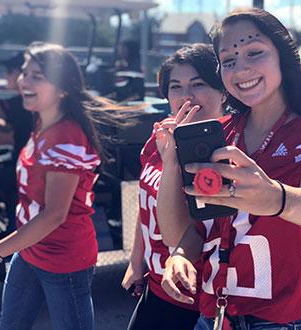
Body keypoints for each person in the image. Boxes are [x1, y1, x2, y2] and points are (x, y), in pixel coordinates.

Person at [155, 8, 301, 330]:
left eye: (254, 52)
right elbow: (198, 229)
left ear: (283, 57)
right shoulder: (219, 134)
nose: (240, 68)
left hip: (279, 321)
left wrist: (274, 197)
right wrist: (180, 255)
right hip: (213, 316)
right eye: (228, 60)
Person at [0, 42, 134, 330]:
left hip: (62, 260)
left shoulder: (65, 136)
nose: (24, 81)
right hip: (29, 249)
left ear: (62, 88)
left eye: (37, 76)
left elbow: (55, 214)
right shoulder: (43, 122)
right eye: (25, 73)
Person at [121, 43, 226, 330]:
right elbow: (147, 205)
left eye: (198, 84)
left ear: (223, 91)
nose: (186, 96)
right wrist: (136, 260)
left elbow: (187, 234)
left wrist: (173, 162)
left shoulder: (222, 153)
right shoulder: (159, 139)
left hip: (190, 294)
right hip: (154, 286)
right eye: (176, 87)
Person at [0, 51, 33, 251]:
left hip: (26, 168)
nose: (6, 75)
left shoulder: (23, 102)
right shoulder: (23, 103)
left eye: (9, 71)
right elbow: (6, 128)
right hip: (21, 163)